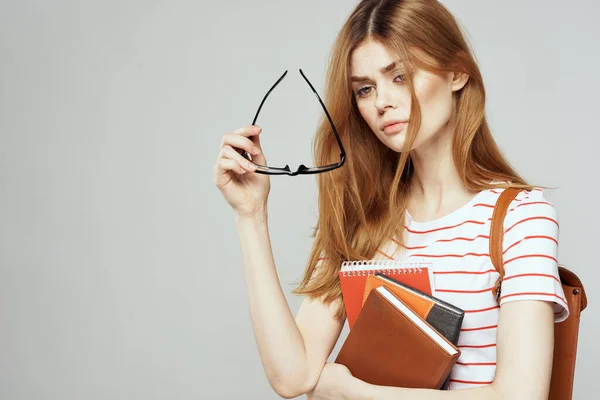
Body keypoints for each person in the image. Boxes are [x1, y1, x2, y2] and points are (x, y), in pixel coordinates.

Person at [213, 0, 568, 398]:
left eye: (399, 76)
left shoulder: (520, 217)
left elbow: (521, 396)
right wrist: (251, 215)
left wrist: (351, 391)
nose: (381, 102)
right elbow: (292, 377)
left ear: (457, 72)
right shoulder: (365, 217)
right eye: (365, 89)